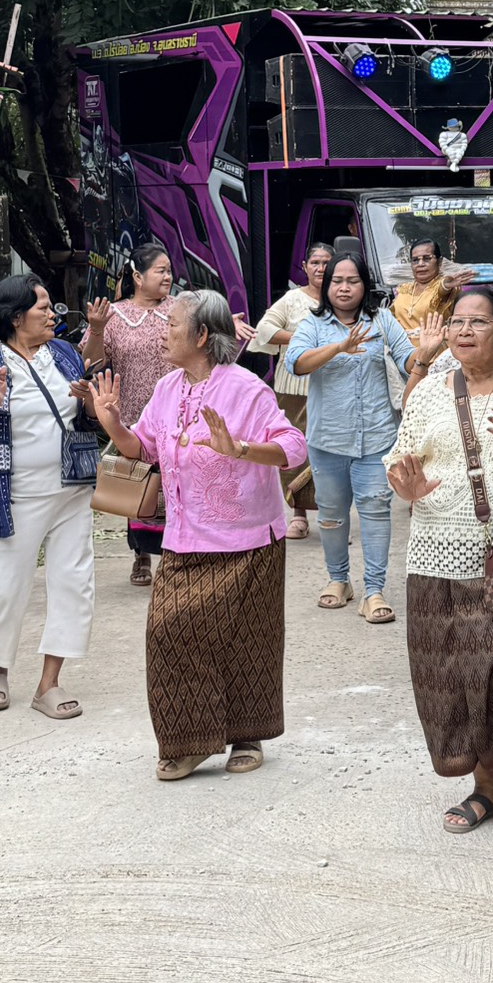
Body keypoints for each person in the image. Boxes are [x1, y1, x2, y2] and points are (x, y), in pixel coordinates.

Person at [90, 290, 305, 780]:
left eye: (172, 324)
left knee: (247, 639)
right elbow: (143, 447)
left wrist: (241, 448)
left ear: (203, 335)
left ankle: (247, 734)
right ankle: (188, 741)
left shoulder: (247, 388)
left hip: (248, 540)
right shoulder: (167, 387)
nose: (163, 332)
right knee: (168, 631)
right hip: (184, 538)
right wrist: (113, 423)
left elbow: (293, 447)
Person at [384, 286, 493, 834]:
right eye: (457, 321)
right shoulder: (428, 394)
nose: (463, 330)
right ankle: (485, 787)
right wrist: (405, 485)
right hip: (435, 554)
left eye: (478, 322)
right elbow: (399, 457)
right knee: (452, 679)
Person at [0, 274, 99, 718]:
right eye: (43, 307)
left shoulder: (64, 354)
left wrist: (89, 401)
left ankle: (48, 684)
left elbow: (88, 416)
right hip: (14, 497)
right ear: (17, 317)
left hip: (72, 490)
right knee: (5, 587)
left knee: (73, 582)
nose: (53, 313)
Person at [287, 253, 417, 622]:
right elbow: (296, 363)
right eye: (337, 281)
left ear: (365, 285)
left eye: (353, 281)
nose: (344, 288)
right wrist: (338, 347)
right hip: (327, 439)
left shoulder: (382, 320)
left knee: (376, 511)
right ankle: (338, 580)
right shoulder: (313, 324)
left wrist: (427, 352)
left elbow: (408, 361)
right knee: (331, 515)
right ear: (326, 286)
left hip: (377, 437)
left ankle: (374, 591)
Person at [81, 243, 174, 585]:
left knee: (177, 485)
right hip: (133, 417)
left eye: (169, 271)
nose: (168, 276)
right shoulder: (115, 317)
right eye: (161, 271)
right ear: (137, 276)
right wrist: (97, 329)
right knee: (139, 485)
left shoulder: (182, 310)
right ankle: (141, 554)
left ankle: (176, 555)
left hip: (178, 413)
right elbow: (91, 362)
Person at [247, 242, 332, 540]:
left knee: (330, 450)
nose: (320, 268)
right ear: (305, 267)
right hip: (293, 387)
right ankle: (298, 513)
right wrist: (303, 337)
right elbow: (264, 330)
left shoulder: (342, 297)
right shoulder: (292, 299)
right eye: (315, 263)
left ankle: (331, 514)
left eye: (326, 263)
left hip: (333, 385)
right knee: (295, 448)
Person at [389, 238, 474, 344]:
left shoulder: (446, 287)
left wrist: (445, 285)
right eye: (415, 260)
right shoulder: (404, 289)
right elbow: (390, 317)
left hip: (435, 349)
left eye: (427, 259)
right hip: (402, 349)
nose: (420, 264)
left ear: (439, 262)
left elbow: (442, 291)